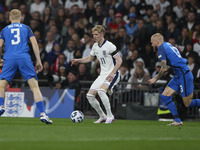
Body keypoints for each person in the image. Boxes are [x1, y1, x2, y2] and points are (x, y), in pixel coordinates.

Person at [0, 9, 52, 124]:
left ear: (9, 18)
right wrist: (38, 61)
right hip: (24, 57)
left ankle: (0, 106)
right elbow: (34, 43)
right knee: (34, 87)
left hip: (9, 58)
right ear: (21, 18)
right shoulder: (26, 28)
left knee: (1, 86)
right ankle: (43, 114)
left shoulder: (4, 30)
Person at [71, 25, 122, 124]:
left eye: (96, 34)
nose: (94, 36)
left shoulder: (110, 46)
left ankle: (110, 116)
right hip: (102, 75)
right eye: (93, 34)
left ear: (102, 34)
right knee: (89, 95)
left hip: (113, 74)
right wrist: (78, 60)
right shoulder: (95, 46)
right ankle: (102, 116)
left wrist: (113, 73)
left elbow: (119, 60)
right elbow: (90, 58)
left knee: (101, 91)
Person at [149, 33, 200, 126]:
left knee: (187, 103)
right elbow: (170, 64)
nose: (151, 45)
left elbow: (164, 68)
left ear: (157, 41)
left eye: (152, 43)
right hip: (178, 75)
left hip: (184, 74)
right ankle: (177, 120)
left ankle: (177, 120)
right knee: (165, 96)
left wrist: (155, 78)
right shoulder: (168, 45)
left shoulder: (161, 48)